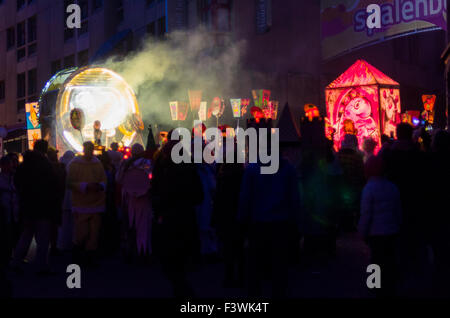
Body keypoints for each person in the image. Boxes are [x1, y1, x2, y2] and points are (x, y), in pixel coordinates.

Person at [238, 152, 301, 298]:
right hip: (281, 223)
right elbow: (294, 198)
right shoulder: (288, 169)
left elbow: (245, 198)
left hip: (258, 224)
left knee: (255, 266)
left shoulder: (252, 169)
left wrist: (242, 220)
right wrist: (296, 222)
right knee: (279, 265)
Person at [152, 134, 204, 298]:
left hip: (168, 220)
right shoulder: (189, 169)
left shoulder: (162, 169)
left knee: (170, 260)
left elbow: (155, 192)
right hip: (186, 218)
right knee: (182, 259)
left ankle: (181, 288)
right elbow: (199, 196)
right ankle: (182, 288)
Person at [11, 140, 58, 274]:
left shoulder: (24, 163)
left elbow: (17, 181)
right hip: (42, 206)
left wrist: (23, 196)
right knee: (43, 239)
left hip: (27, 206)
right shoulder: (45, 165)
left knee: (26, 235)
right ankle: (42, 266)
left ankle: (16, 262)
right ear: (44, 150)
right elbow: (52, 186)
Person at [358, 155, 402, 297]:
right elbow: (398, 210)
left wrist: (362, 232)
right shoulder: (392, 187)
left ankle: (375, 287)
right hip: (391, 231)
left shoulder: (368, 189)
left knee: (375, 261)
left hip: (375, 233)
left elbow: (366, 214)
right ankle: (390, 287)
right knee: (389, 261)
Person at [67, 141, 107, 266]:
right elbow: (69, 183)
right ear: (84, 149)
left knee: (94, 233)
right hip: (81, 203)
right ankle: (78, 256)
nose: (90, 151)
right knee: (81, 233)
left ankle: (90, 258)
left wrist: (99, 186)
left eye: (91, 148)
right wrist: (85, 186)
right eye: (88, 148)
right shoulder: (74, 164)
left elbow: (103, 179)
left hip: (96, 203)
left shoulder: (97, 163)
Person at [212, 144, 245, 288]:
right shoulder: (243, 176)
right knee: (240, 248)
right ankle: (242, 276)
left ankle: (229, 276)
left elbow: (218, 198)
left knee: (228, 248)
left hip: (226, 216)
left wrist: (215, 217)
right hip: (239, 215)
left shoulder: (222, 177)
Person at [116, 144, 153, 262]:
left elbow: (118, 179)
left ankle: (133, 251)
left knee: (131, 225)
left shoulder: (125, 164)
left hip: (129, 197)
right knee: (143, 225)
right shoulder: (147, 162)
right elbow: (151, 179)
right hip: (144, 198)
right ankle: (143, 252)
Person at [336, 134, 365, 231]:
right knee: (353, 206)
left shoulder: (338, 155)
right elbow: (361, 172)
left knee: (343, 207)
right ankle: (351, 224)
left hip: (341, 185)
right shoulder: (357, 157)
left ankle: (343, 224)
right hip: (353, 186)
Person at [47, 148, 66, 256]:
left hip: (53, 199)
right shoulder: (56, 168)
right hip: (54, 199)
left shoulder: (56, 167)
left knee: (53, 225)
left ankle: (53, 245)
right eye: (55, 154)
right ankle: (52, 246)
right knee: (53, 225)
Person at [58, 150, 75, 251]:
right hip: (72, 198)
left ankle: (62, 243)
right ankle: (71, 241)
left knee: (63, 223)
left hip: (62, 198)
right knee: (72, 222)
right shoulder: (73, 166)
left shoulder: (61, 167)